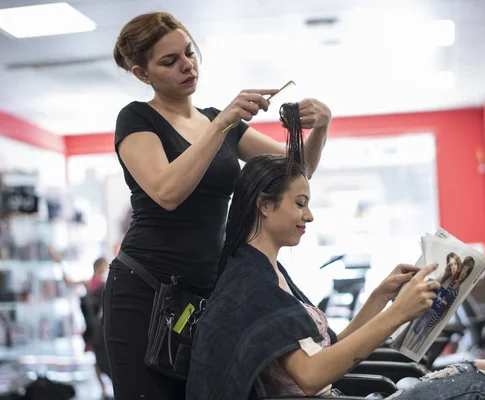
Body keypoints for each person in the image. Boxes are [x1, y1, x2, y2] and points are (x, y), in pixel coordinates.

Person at [186, 103, 485, 399]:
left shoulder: (267, 272)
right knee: (483, 379)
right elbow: (311, 376)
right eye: (300, 204)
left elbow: (330, 351)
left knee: (483, 371)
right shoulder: (252, 284)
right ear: (265, 205)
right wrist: (398, 313)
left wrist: (379, 299)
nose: (309, 216)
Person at [105, 11, 332, 400]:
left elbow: (298, 170)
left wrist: (321, 126)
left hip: (204, 294)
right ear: (143, 75)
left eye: (189, 54)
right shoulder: (138, 119)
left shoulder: (217, 123)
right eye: (169, 61)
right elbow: (166, 191)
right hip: (144, 291)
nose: (186, 66)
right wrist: (222, 123)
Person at [49, 248, 111, 400]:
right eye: (103, 268)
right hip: (95, 327)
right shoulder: (89, 283)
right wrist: (60, 263)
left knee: (103, 358)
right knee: (98, 358)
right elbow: (68, 281)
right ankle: (103, 388)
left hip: (103, 325)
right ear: (99, 268)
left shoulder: (103, 283)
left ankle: (106, 387)